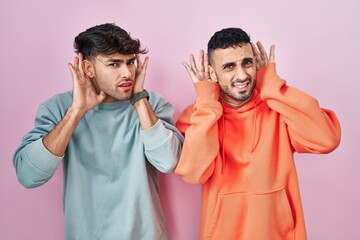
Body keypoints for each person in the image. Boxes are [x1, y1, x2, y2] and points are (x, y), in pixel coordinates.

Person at [13, 23, 183, 240]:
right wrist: (76, 111)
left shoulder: (153, 105)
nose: (127, 73)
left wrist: (139, 99)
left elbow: (168, 161)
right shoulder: (57, 108)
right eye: (114, 64)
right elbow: (29, 175)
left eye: (130, 62)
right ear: (88, 68)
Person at [174, 27, 341, 240]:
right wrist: (207, 101)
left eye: (247, 62)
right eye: (229, 67)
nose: (242, 75)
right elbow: (194, 173)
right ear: (213, 73)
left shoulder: (278, 108)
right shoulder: (199, 116)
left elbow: (327, 139)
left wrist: (271, 87)